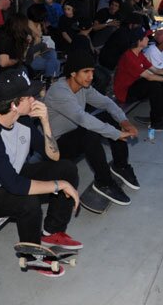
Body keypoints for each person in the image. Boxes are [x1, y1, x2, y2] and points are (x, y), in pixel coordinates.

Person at [0, 68, 81, 277]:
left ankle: (51, 231)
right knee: (28, 201)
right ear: (14, 104)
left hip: (14, 175)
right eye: (30, 96)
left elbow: (53, 156)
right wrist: (60, 185)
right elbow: (15, 185)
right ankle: (32, 257)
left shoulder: (24, 120)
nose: (35, 99)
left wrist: (45, 122)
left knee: (66, 169)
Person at [44, 50, 140, 209]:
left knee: (109, 117)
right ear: (73, 73)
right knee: (89, 134)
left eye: (92, 71)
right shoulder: (59, 92)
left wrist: (124, 121)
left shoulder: (83, 87)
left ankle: (121, 166)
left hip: (74, 132)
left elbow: (106, 103)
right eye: (86, 72)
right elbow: (83, 119)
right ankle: (104, 183)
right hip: (56, 146)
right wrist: (116, 134)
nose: (91, 76)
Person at [113, 29, 163, 132]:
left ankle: (160, 115)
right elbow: (149, 77)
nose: (148, 39)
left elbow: (156, 70)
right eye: (145, 37)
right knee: (154, 84)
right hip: (124, 93)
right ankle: (156, 123)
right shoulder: (129, 57)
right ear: (139, 41)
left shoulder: (138, 54)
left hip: (133, 86)